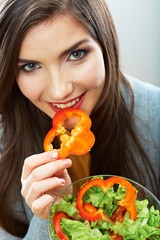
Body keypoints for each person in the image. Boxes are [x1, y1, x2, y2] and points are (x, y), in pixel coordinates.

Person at [0, 0, 160, 239]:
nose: (59, 91)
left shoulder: (155, 113)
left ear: (105, 45)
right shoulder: (4, 140)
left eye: (76, 54)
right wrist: (45, 219)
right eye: (31, 66)